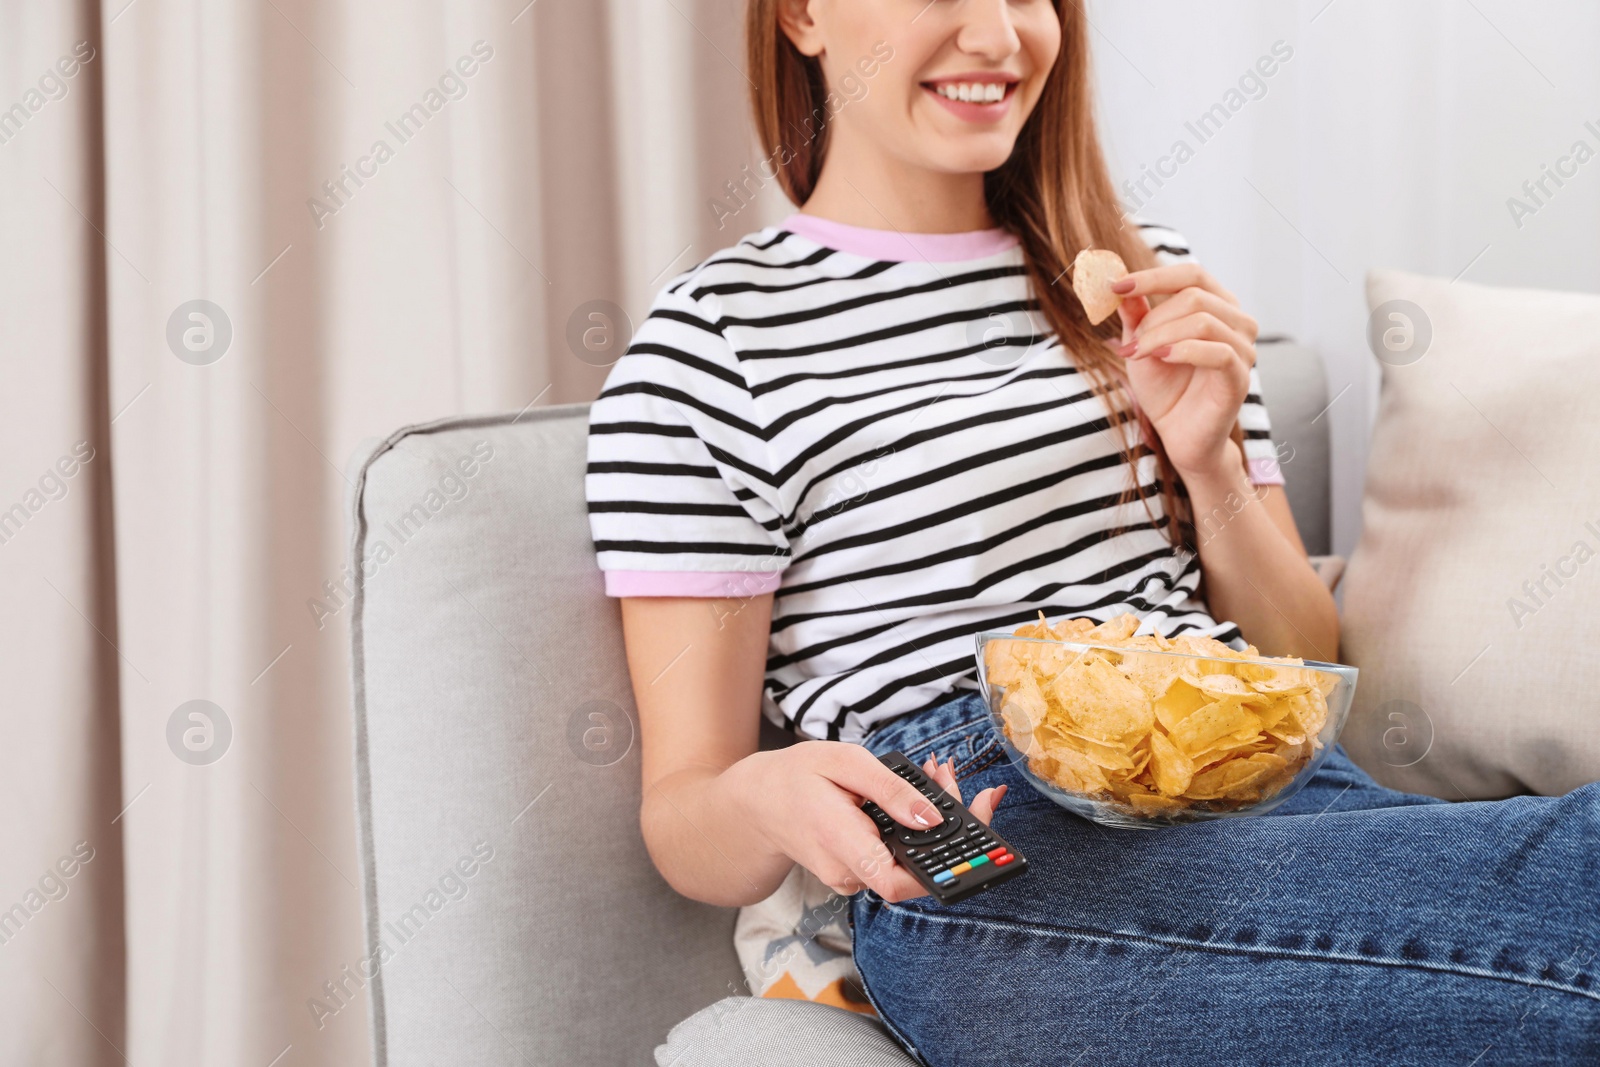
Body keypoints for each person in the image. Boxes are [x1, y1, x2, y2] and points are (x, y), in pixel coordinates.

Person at [584, 1, 1600, 1062]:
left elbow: (1301, 661)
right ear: (798, 14)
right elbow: (684, 810)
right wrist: (765, 790)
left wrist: (1206, 460)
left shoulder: (1145, 278)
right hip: (977, 839)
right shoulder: (711, 347)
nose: (995, 36)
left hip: (1256, 777)